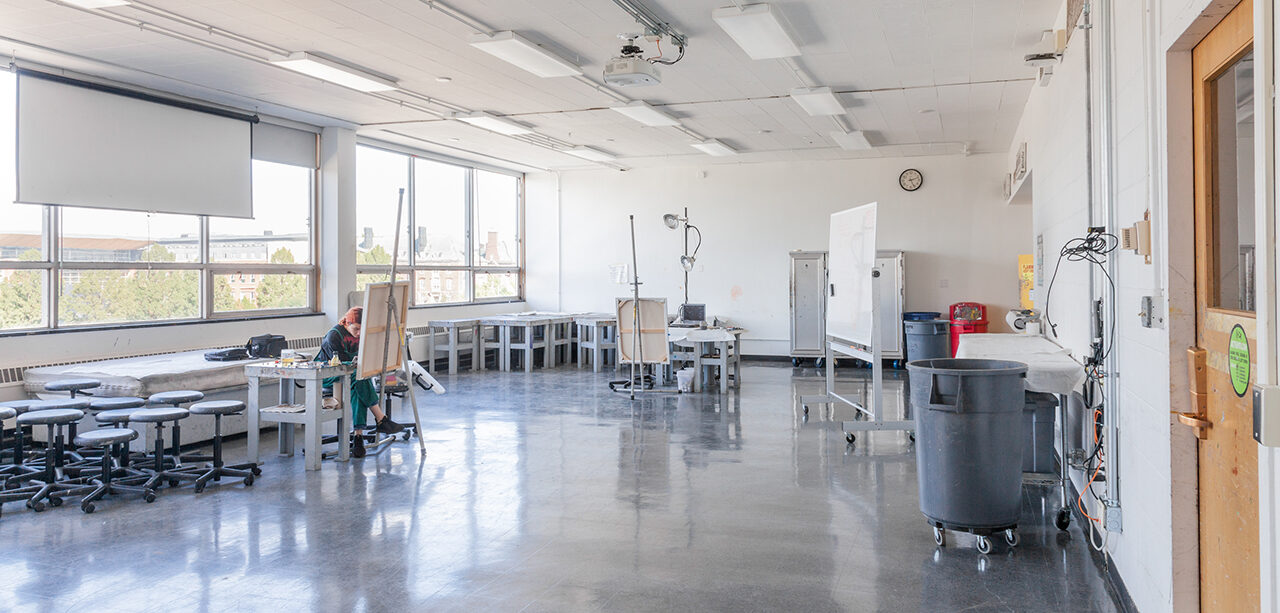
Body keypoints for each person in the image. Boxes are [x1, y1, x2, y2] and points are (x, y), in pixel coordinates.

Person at [316, 306, 405, 435]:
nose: (358, 333)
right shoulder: (333, 336)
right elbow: (341, 366)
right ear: (347, 323)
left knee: (358, 385)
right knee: (358, 379)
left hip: (351, 376)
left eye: (361, 330)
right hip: (329, 376)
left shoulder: (360, 335)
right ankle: (381, 419)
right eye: (356, 329)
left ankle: (359, 437)